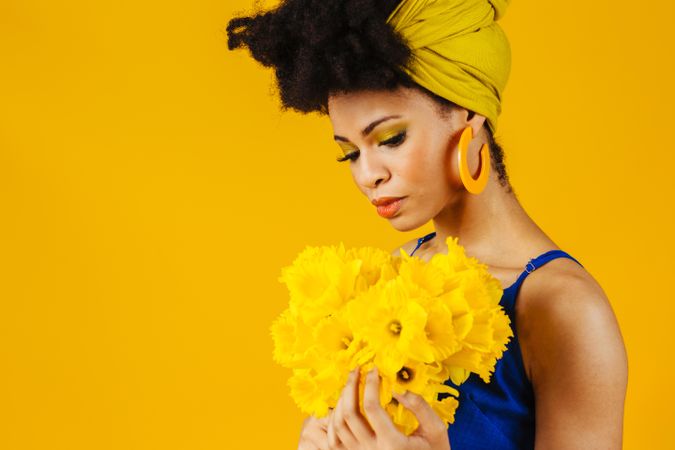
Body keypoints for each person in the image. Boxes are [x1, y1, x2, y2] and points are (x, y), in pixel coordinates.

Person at [226, 0, 628, 448]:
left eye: (390, 138)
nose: (367, 174)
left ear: (468, 119)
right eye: (350, 153)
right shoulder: (397, 278)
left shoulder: (567, 309)